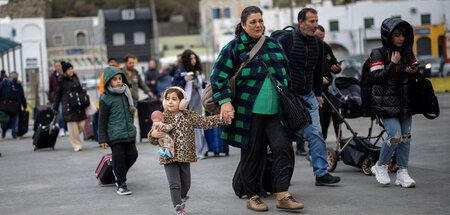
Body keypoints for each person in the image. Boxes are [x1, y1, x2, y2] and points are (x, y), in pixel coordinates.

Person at [210, 6, 304, 212]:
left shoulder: (274, 46)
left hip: (275, 112)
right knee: (252, 154)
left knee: (284, 148)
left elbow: (286, 76)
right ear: (243, 25)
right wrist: (225, 101)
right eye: (253, 22)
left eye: (260, 21)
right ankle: (252, 196)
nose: (258, 25)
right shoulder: (233, 48)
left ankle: (282, 194)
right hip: (248, 113)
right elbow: (218, 77)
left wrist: (290, 99)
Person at [276, 8, 341, 186]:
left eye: (316, 21)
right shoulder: (286, 39)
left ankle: (321, 174)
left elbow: (319, 69)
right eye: (311, 21)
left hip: (309, 94)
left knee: (316, 133)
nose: (315, 25)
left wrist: (318, 93)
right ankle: (282, 178)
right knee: (284, 138)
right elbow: (273, 64)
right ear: (301, 22)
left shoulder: (318, 44)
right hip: (287, 97)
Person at [148, 86, 225, 215]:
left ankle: (181, 196)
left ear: (182, 102)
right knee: (174, 185)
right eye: (167, 99)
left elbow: (205, 122)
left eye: (174, 99)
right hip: (169, 157)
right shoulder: (162, 117)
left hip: (185, 156)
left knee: (186, 184)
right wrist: (153, 135)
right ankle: (178, 206)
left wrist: (222, 118)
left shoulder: (189, 116)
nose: (170, 102)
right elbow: (152, 135)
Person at [370, 17, 418, 188]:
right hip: (385, 105)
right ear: (388, 36)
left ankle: (402, 173)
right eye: (397, 35)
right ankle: (380, 165)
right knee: (395, 136)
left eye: (403, 35)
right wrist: (392, 64)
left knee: (406, 138)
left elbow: (414, 77)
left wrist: (414, 71)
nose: (400, 39)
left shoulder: (408, 53)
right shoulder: (378, 53)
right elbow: (376, 78)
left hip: (405, 103)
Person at [98, 66, 138, 195]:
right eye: (115, 79)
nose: (118, 81)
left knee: (133, 155)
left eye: (120, 78)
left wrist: (132, 128)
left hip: (128, 132)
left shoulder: (126, 93)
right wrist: (102, 138)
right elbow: (102, 120)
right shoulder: (105, 98)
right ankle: (121, 184)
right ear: (109, 81)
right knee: (119, 157)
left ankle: (118, 172)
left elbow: (130, 114)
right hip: (114, 134)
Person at [172, 49, 208, 159]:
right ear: (186, 60)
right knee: (189, 125)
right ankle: (194, 150)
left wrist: (206, 85)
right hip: (187, 101)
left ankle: (201, 149)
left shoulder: (197, 70)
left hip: (197, 98)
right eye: (191, 58)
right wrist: (184, 79)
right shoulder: (181, 70)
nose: (193, 60)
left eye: (194, 58)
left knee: (197, 124)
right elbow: (175, 85)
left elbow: (200, 84)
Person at [315, 25, 342, 141]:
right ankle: (315, 144)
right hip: (315, 89)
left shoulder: (326, 47)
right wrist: (318, 80)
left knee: (330, 116)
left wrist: (337, 68)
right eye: (318, 37)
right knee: (318, 120)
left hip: (328, 89)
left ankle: (337, 139)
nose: (320, 40)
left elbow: (333, 63)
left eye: (322, 37)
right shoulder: (307, 48)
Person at [53, 62, 86, 151]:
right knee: (72, 126)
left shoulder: (75, 77)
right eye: (69, 69)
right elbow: (57, 94)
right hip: (68, 106)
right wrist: (55, 107)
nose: (71, 70)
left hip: (78, 105)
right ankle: (76, 144)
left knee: (82, 124)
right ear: (65, 71)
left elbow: (79, 88)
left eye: (72, 68)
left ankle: (74, 137)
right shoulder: (61, 80)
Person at [0, 72, 26, 139]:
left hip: (16, 105)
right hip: (6, 105)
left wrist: (24, 105)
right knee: (7, 120)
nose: (15, 79)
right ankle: (4, 130)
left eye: (16, 78)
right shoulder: (4, 83)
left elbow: (22, 96)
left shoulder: (18, 85)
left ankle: (15, 134)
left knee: (15, 120)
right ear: (10, 77)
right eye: (14, 78)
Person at [48, 61, 68, 137]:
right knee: (60, 113)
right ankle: (62, 128)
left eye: (59, 66)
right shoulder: (52, 77)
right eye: (56, 66)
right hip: (57, 97)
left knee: (66, 112)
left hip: (65, 97)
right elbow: (51, 88)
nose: (58, 67)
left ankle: (66, 129)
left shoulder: (65, 75)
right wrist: (49, 98)